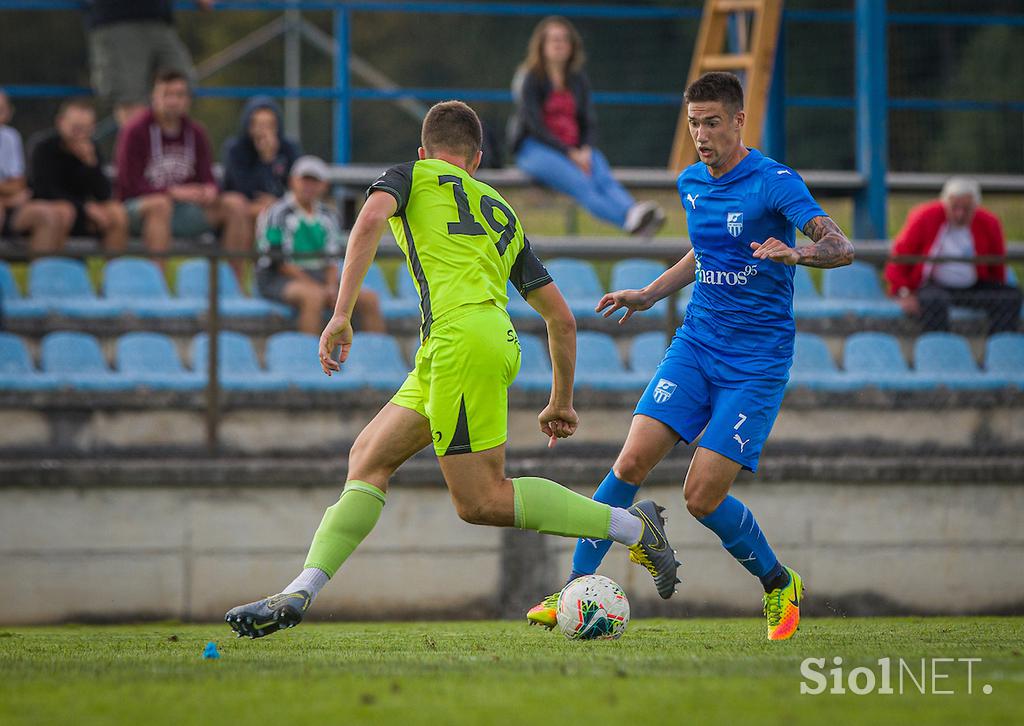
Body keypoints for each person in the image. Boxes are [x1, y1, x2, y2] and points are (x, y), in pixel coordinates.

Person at [224, 101, 680, 639]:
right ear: (478, 160)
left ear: (424, 152)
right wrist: (561, 400)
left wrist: (341, 314)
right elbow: (561, 318)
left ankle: (632, 526)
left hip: (459, 342)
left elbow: (369, 219)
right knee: (368, 457)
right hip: (463, 344)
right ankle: (300, 592)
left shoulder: (409, 175)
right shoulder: (501, 209)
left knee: (482, 500)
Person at [525, 72, 855, 642]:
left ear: (738, 121)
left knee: (701, 497)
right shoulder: (690, 183)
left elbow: (840, 247)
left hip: (756, 363)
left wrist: (794, 253)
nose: (701, 135)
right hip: (696, 346)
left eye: (712, 123)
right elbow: (704, 254)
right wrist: (649, 294)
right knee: (629, 464)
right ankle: (573, 589)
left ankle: (779, 584)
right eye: (693, 123)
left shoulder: (775, 182)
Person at [508, 16, 665, 237]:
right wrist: (569, 153)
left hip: (576, 149)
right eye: (553, 39)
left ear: (572, 46)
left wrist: (586, 148)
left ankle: (634, 213)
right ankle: (633, 222)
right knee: (582, 184)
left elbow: (588, 121)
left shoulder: (577, 79)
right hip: (535, 149)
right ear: (541, 46)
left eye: (564, 39)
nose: (559, 44)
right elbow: (534, 125)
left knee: (602, 176)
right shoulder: (530, 78)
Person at [115, 69, 250, 274]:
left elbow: (207, 176)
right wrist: (171, 191)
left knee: (236, 204)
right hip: (139, 209)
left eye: (179, 95)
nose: (173, 101)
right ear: (154, 97)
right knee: (160, 205)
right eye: (166, 94)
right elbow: (128, 184)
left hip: (183, 211)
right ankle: (158, 288)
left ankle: (232, 288)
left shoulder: (196, 132)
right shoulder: (135, 131)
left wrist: (209, 190)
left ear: (188, 100)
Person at [256, 156, 384, 336]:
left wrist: (331, 287)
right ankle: (311, 359)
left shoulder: (330, 215)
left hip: (320, 277)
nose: (309, 186)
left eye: (314, 181)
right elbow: (278, 261)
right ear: (293, 181)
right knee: (313, 298)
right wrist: (319, 288)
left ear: (324, 185)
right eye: (304, 180)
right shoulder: (276, 213)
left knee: (369, 299)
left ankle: (374, 355)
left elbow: (332, 259)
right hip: (277, 277)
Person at [884, 177, 1022, 334]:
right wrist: (904, 292)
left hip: (973, 287)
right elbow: (899, 256)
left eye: (966, 209)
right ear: (945, 203)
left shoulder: (989, 223)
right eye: (955, 207)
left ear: (975, 207)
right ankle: (940, 347)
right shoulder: (925, 217)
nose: (960, 214)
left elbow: (997, 264)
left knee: (1010, 296)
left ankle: (998, 345)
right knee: (933, 302)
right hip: (935, 285)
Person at [85, 0, 213, 127]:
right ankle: (142, 146)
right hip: (116, 19)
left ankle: (170, 145)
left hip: (159, 20)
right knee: (130, 97)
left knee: (179, 88)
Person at [28, 98, 129, 253]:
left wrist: (91, 163)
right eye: (76, 128)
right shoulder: (43, 147)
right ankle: (48, 271)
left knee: (116, 212)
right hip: (53, 209)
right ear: (60, 122)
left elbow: (104, 194)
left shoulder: (91, 148)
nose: (80, 135)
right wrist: (84, 208)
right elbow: (44, 190)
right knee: (63, 211)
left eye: (86, 129)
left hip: (83, 212)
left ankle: (114, 273)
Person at [0, 89, 73, 254]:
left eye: (1, 110)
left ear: (9, 113)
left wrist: (9, 196)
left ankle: (44, 277)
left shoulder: (10, 137)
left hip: (12, 205)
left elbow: (18, 184)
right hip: (7, 204)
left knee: (50, 214)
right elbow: (12, 187)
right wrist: (6, 197)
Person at [221, 96, 302, 223]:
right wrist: (266, 159)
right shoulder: (236, 150)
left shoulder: (288, 149)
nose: (263, 131)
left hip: (281, 209)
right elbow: (243, 189)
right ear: (249, 126)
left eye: (269, 125)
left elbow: (296, 186)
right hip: (244, 211)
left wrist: (277, 202)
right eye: (258, 124)